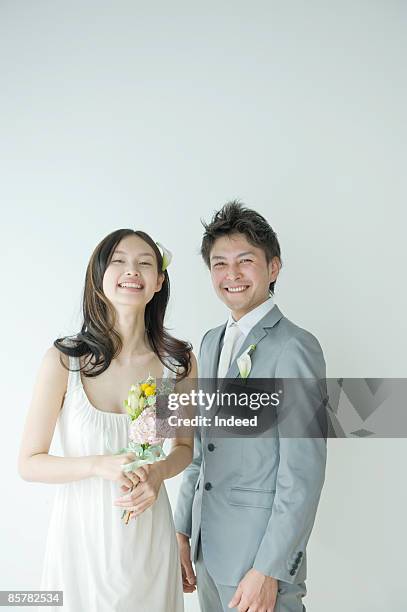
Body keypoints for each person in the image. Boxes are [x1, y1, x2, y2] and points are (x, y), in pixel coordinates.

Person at [18, 228, 196, 612]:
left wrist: (158, 473)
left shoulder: (174, 366)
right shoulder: (66, 361)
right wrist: (98, 464)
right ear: (98, 278)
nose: (132, 270)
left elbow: (182, 448)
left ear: (158, 282)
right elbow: (29, 463)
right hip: (80, 540)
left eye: (145, 263)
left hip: (148, 538)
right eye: (118, 261)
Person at [175, 202, 328, 612]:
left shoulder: (296, 347)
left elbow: (303, 474)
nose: (232, 275)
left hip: (258, 568)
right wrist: (181, 529)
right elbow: (198, 452)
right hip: (208, 557)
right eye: (220, 264)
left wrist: (270, 570)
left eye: (246, 261)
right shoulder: (208, 342)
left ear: (273, 267)